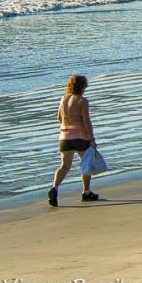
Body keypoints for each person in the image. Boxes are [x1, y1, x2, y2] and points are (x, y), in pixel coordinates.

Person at [48, 74, 98, 206]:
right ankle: (86, 192)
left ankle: (54, 188)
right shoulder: (82, 101)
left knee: (64, 166)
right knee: (86, 164)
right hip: (80, 137)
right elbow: (86, 121)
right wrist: (91, 138)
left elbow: (59, 117)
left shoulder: (63, 99)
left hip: (64, 137)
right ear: (82, 87)